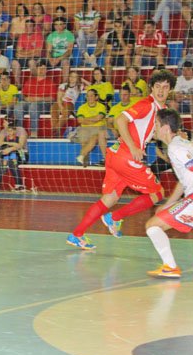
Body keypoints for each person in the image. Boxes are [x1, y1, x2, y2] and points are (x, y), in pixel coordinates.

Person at [66, 69, 177, 250]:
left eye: (165, 87)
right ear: (151, 88)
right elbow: (119, 120)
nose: (161, 91)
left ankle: (76, 234)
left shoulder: (161, 110)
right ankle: (114, 217)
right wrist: (134, 147)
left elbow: (153, 133)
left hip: (115, 156)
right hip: (126, 156)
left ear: (170, 90)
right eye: (158, 86)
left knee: (109, 198)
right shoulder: (147, 104)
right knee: (157, 193)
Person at [144, 108, 190, 278]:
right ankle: (169, 267)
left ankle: (170, 267)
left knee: (153, 226)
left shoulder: (175, 148)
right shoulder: (179, 144)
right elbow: (184, 180)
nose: (153, 128)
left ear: (165, 128)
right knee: (155, 223)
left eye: (156, 124)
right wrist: (170, 203)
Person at [13, 61, 57, 138]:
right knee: (18, 106)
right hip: (29, 102)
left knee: (34, 106)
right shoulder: (30, 81)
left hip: (43, 104)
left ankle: (34, 133)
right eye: (40, 68)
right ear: (36, 69)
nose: (41, 70)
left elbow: (52, 98)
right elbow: (23, 95)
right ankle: (19, 131)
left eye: (44, 69)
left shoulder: (50, 82)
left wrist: (38, 99)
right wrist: (26, 98)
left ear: (46, 70)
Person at [75, 89, 108, 167]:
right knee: (84, 140)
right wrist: (93, 120)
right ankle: (84, 161)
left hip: (99, 128)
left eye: (91, 95)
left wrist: (86, 119)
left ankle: (81, 155)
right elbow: (80, 120)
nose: (89, 97)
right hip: (85, 129)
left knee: (96, 136)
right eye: (87, 96)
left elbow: (99, 118)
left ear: (96, 97)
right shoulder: (82, 107)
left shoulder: (101, 106)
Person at [51, 71, 87, 138]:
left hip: (70, 103)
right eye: (71, 76)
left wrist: (83, 80)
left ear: (77, 78)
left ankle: (55, 130)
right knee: (53, 110)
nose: (72, 78)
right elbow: (59, 98)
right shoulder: (63, 85)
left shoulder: (80, 86)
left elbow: (91, 86)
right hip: (61, 102)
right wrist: (61, 106)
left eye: (75, 77)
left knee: (66, 112)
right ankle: (57, 132)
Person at [0, 119, 28, 191]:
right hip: (6, 154)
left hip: (21, 155)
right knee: (1, 160)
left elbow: (20, 146)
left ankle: (19, 184)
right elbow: (0, 144)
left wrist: (10, 148)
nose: (3, 123)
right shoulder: (3, 132)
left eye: (4, 122)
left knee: (12, 160)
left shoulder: (20, 131)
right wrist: (11, 147)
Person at [11, 18, 43, 86]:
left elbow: (37, 52)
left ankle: (38, 82)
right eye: (26, 26)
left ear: (34, 27)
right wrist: (31, 52)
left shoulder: (38, 36)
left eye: (30, 26)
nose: (28, 28)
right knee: (14, 62)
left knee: (31, 62)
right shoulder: (22, 36)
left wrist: (23, 53)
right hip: (24, 58)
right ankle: (18, 85)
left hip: (36, 58)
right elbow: (18, 52)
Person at [75, 0, 101, 66]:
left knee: (79, 37)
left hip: (92, 37)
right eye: (90, 2)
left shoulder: (96, 13)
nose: (92, 3)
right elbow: (77, 28)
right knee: (78, 36)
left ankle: (84, 57)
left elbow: (94, 28)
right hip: (82, 37)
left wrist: (84, 29)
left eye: (93, 2)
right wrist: (88, 29)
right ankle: (86, 55)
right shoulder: (78, 15)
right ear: (85, 3)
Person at [45, 17, 74, 82]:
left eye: (61, 24)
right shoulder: (51, 35)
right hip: (53, 58)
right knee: (40, 63)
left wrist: (58, 59)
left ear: (64, 25)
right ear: (54, 26)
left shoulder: (69, 34)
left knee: (65, 62)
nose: (58, 26)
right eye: (56, 24)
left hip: (65, 57)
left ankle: (64, 83)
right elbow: (48, 51)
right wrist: (51, 59)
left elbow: (69, 51)